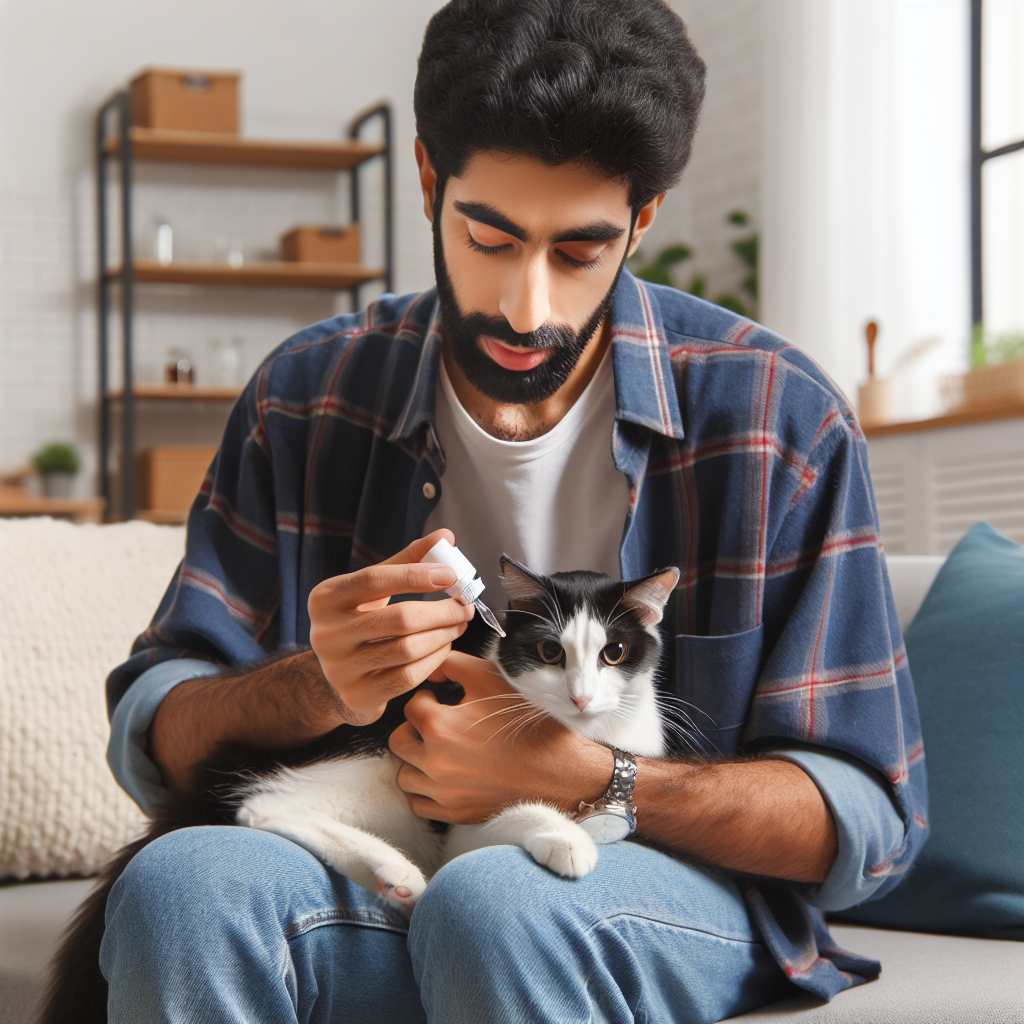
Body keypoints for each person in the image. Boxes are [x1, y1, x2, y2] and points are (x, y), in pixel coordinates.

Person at [101, 1, 927, 1021]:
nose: (527, 308)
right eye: (488, 236)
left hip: (650, 879)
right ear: (427, 179)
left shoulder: (778, 418)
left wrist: (596, 778)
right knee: (181, 885)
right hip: (380, 848)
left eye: (579, 252)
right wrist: (315, 685)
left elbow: (863, 824)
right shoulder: (306, 395)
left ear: (643, 220)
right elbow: (156, 733)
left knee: (501, 902)